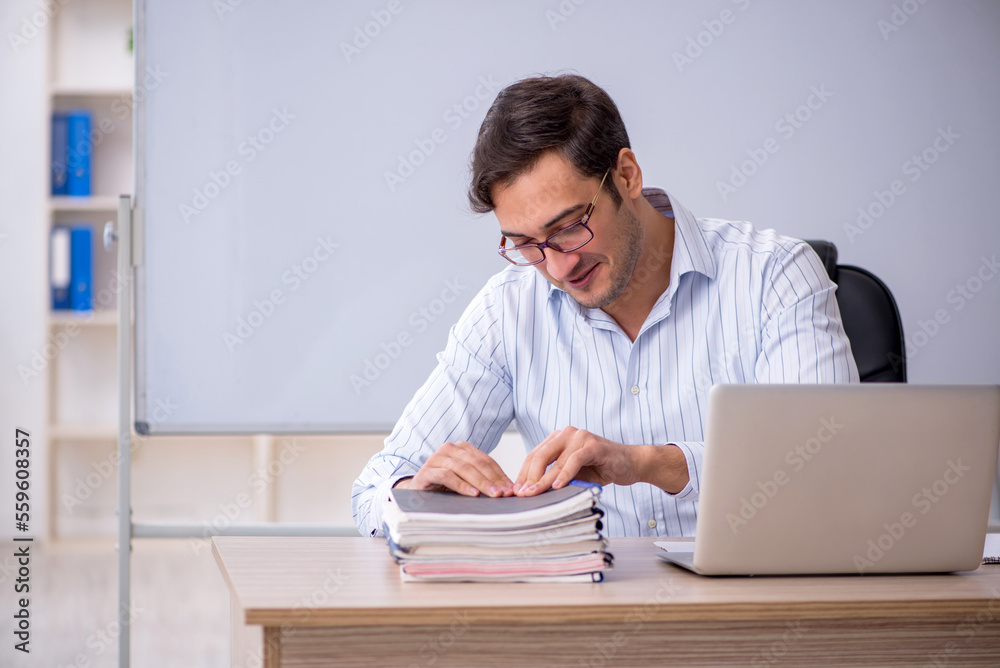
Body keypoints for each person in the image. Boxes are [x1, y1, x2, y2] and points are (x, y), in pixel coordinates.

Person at [352, 74, 858, 538]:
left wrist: (646, 463)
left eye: (570, 228)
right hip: (587, 617)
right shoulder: (507, 310)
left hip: (756, 610)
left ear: (627, 175)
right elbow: (372, 489)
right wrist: (412, 494)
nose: (556, 268)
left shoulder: (775, 275)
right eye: (525, 244)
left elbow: (827, 467)